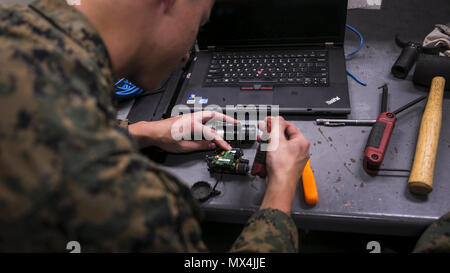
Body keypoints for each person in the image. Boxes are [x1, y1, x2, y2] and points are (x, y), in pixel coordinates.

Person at [0, 0, 311, 252]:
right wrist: (279, 192)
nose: (189, 53)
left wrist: (145, 131)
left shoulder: (12, 23)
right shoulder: (133, 202)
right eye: (199, 24)